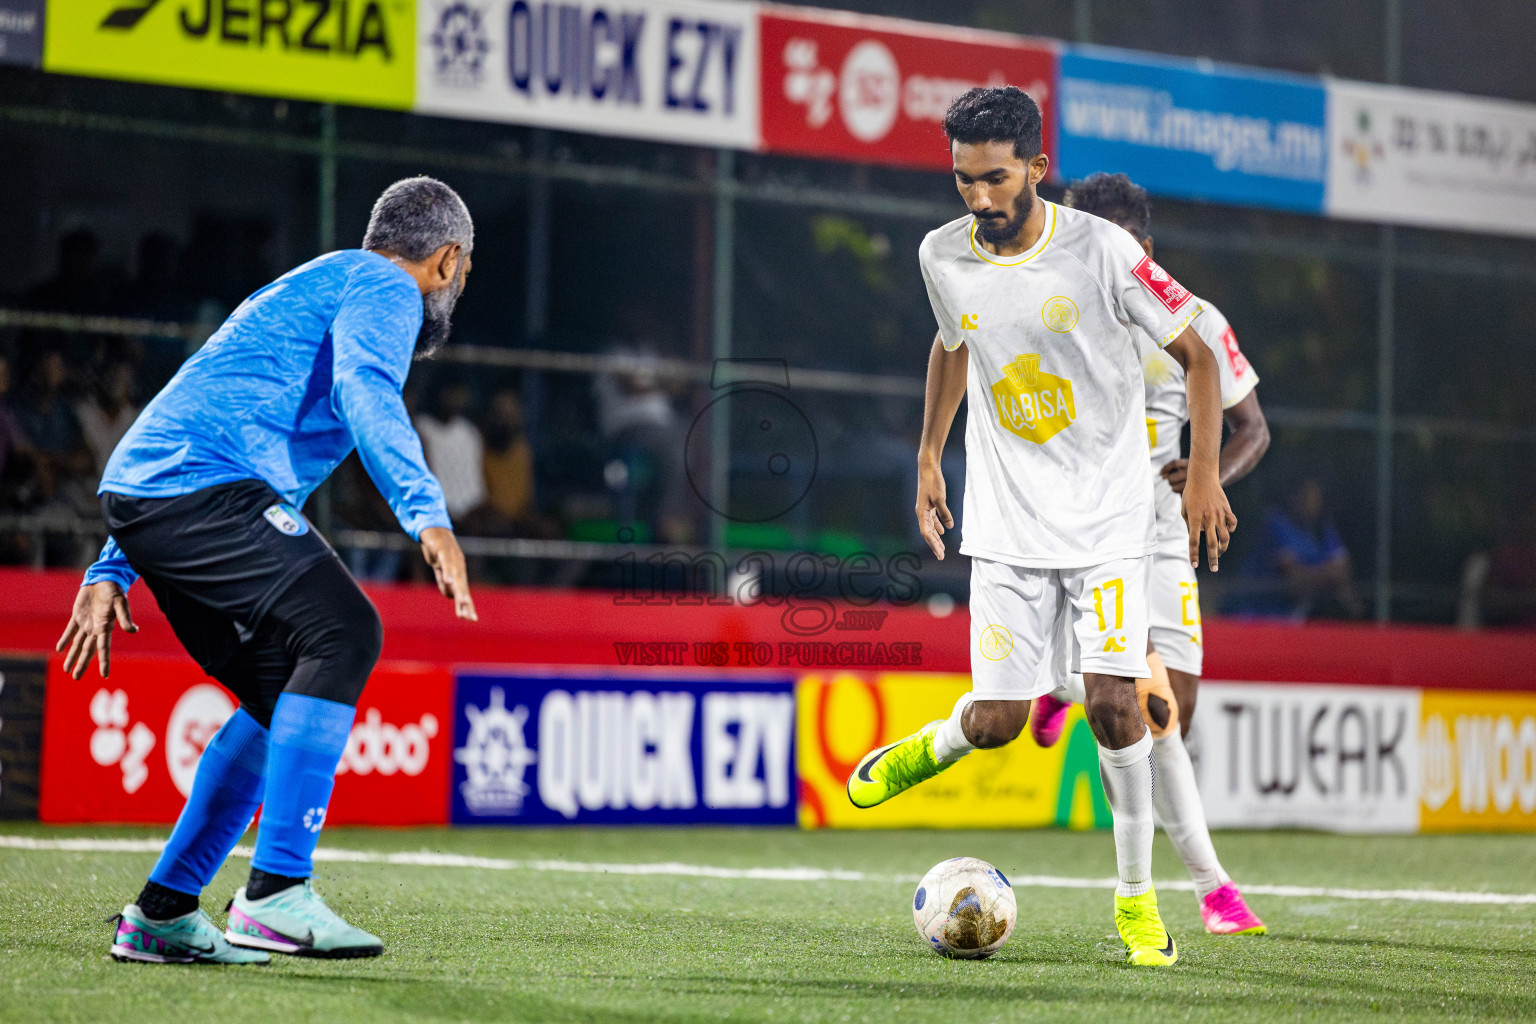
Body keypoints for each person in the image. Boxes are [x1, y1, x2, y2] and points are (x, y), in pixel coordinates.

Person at [844, 87, 1235, 968]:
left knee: (1114, 705)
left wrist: (1204, 473)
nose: (979, 200)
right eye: (962, 180)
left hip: (1106, 522)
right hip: (1008, 524)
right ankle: (933, 746)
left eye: (995, 179)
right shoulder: (941, 254)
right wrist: (926, 456)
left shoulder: (1104, 251)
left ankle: (1137, 902)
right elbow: (952, 345)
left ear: (1036, 167)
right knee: (996, 723)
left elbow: (1199, 352)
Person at [56, 177, 480, 965]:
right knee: (345, 628)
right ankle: (277, 891)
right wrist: (427, 514)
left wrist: (116, 558)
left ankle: (163, 913)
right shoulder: (386, 285)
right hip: (195, 490)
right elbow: (366, 391)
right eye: (460, 272)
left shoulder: (318, 284)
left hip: (157, 494)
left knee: (276, 687)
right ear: (448, 261)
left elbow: (197, 395)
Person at [1030, 173, 1270, 936]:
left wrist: (1207, 475)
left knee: (1176, 714)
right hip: (1094, 537)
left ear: (1148, 249)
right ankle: (1212, 889)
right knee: (1147, 714)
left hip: (1166, 536)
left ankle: (1065, 686)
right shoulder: (1059, 317)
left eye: (1121, 246)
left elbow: (1252, 429)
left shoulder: (1195, 320)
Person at [1241, 476, 1365, 619]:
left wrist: (1319, 576)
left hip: (1300, 619)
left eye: (1314, 496)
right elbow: (1295, 580)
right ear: (1293, 497)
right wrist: (1327, 575)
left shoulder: (1322, 528)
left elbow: (1343, 571)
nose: (1310, 502)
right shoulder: (1275, 523)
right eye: (1305, 495)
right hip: (1260, 617)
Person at [415, 379, 488, 522]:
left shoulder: (469, 432)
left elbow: (477, 491)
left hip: (471, 514)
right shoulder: (421, 428)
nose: (453, 399)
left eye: (457, 394)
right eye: (449, 393)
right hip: (433, 512)